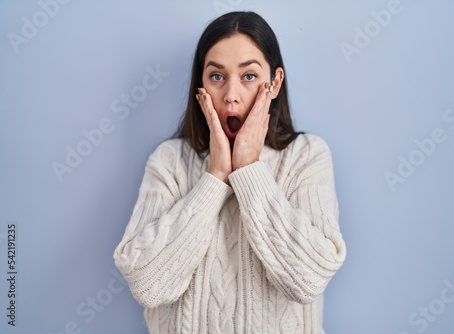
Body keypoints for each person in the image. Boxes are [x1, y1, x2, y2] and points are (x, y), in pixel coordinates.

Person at [114, 11, 346, 334]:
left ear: (274, 82)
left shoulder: (307, 156)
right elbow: (146, 284)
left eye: (249, 76)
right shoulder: (169, 161)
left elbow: (309, 279)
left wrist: (249, 169)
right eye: (217, 77)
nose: (232, 95)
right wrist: (215, 177)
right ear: (201, 86)